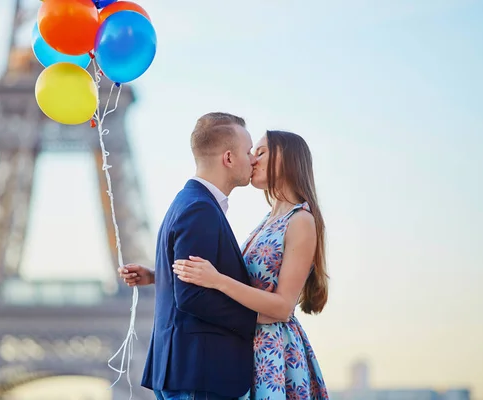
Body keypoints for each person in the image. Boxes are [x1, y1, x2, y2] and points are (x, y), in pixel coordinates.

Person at [121, 130, 330, 399]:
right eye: (252, 151)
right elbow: (240, 279)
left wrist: (217, 280)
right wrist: (156, 275)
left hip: (272, 352)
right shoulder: (267, 221)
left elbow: (282, 306)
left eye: (261, 151)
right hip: (246, 346)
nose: (253, 159)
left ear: (287, 159)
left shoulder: (301, 221)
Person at [131, 112, 259, 400]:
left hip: (184, 370)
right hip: (199, 373)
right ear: (228, 158)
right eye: (248, 151)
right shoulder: (200, 208)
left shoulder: (187, 202)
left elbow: (183, 277)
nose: (253, 159)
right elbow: (191, 295)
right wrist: (257, 318)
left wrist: (156, 275)